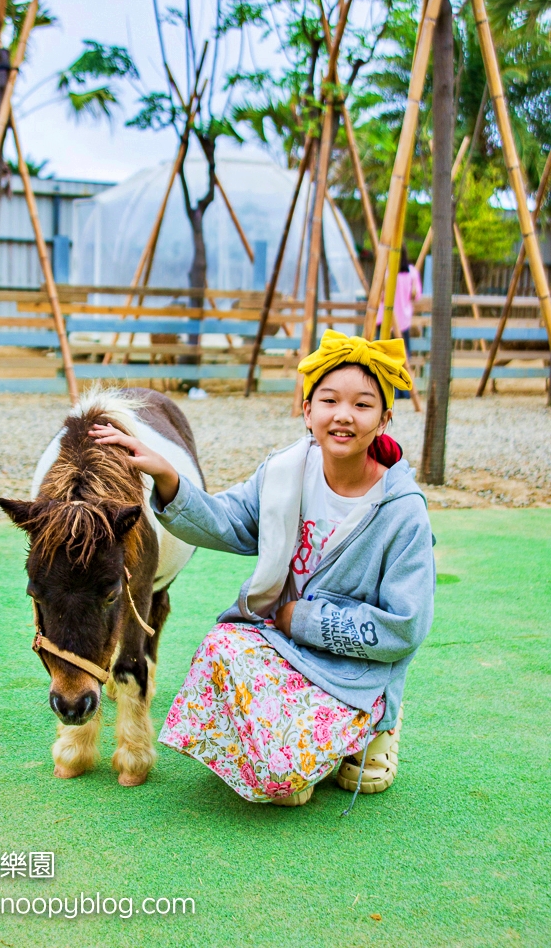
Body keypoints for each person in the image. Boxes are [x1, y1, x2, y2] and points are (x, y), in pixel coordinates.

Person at [89, 330, 435, 807]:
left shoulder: (402, 511)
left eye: (363, 405)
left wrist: (304, 619)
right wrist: (168, 476)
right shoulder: (285, 473)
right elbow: (230, 522)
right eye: (329, 400)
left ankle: (379, 722)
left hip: (350, 666)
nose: (343, 416)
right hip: (283, 644)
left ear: (385, 419)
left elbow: (405, 627)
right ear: (307, 409)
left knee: (283, 781)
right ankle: (304, 743)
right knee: (220, 647)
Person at [376, 245, 421, 398]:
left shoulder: (387, 272)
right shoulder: (412, 273)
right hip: (404, 320)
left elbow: (380, 296)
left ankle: (389, 390)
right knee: (403, 357)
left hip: (386, 320)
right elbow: (416, 295)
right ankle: (406, 390)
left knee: (385, 356)